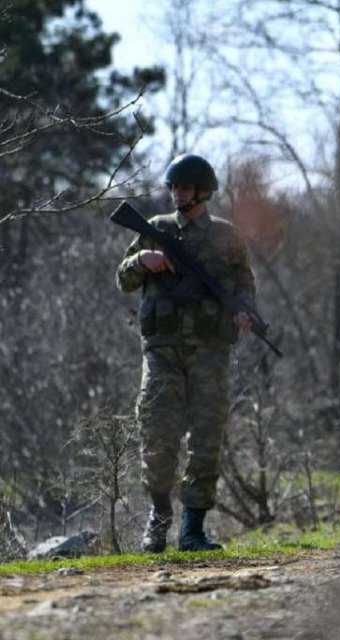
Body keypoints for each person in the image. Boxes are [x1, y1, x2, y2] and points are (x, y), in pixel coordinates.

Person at [117, 154, 256, 552]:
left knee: (207, 438)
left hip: (211, 352)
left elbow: (244, 285)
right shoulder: (156, 229)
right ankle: (158, 520)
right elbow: (123, 279)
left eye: (185, 187)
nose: (177, 193)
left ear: (204, 191)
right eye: (174, 187)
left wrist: (247, 314)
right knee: (158, 435)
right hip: (162, 351)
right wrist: (143, 260)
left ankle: (193, 529)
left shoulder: (228, 237)